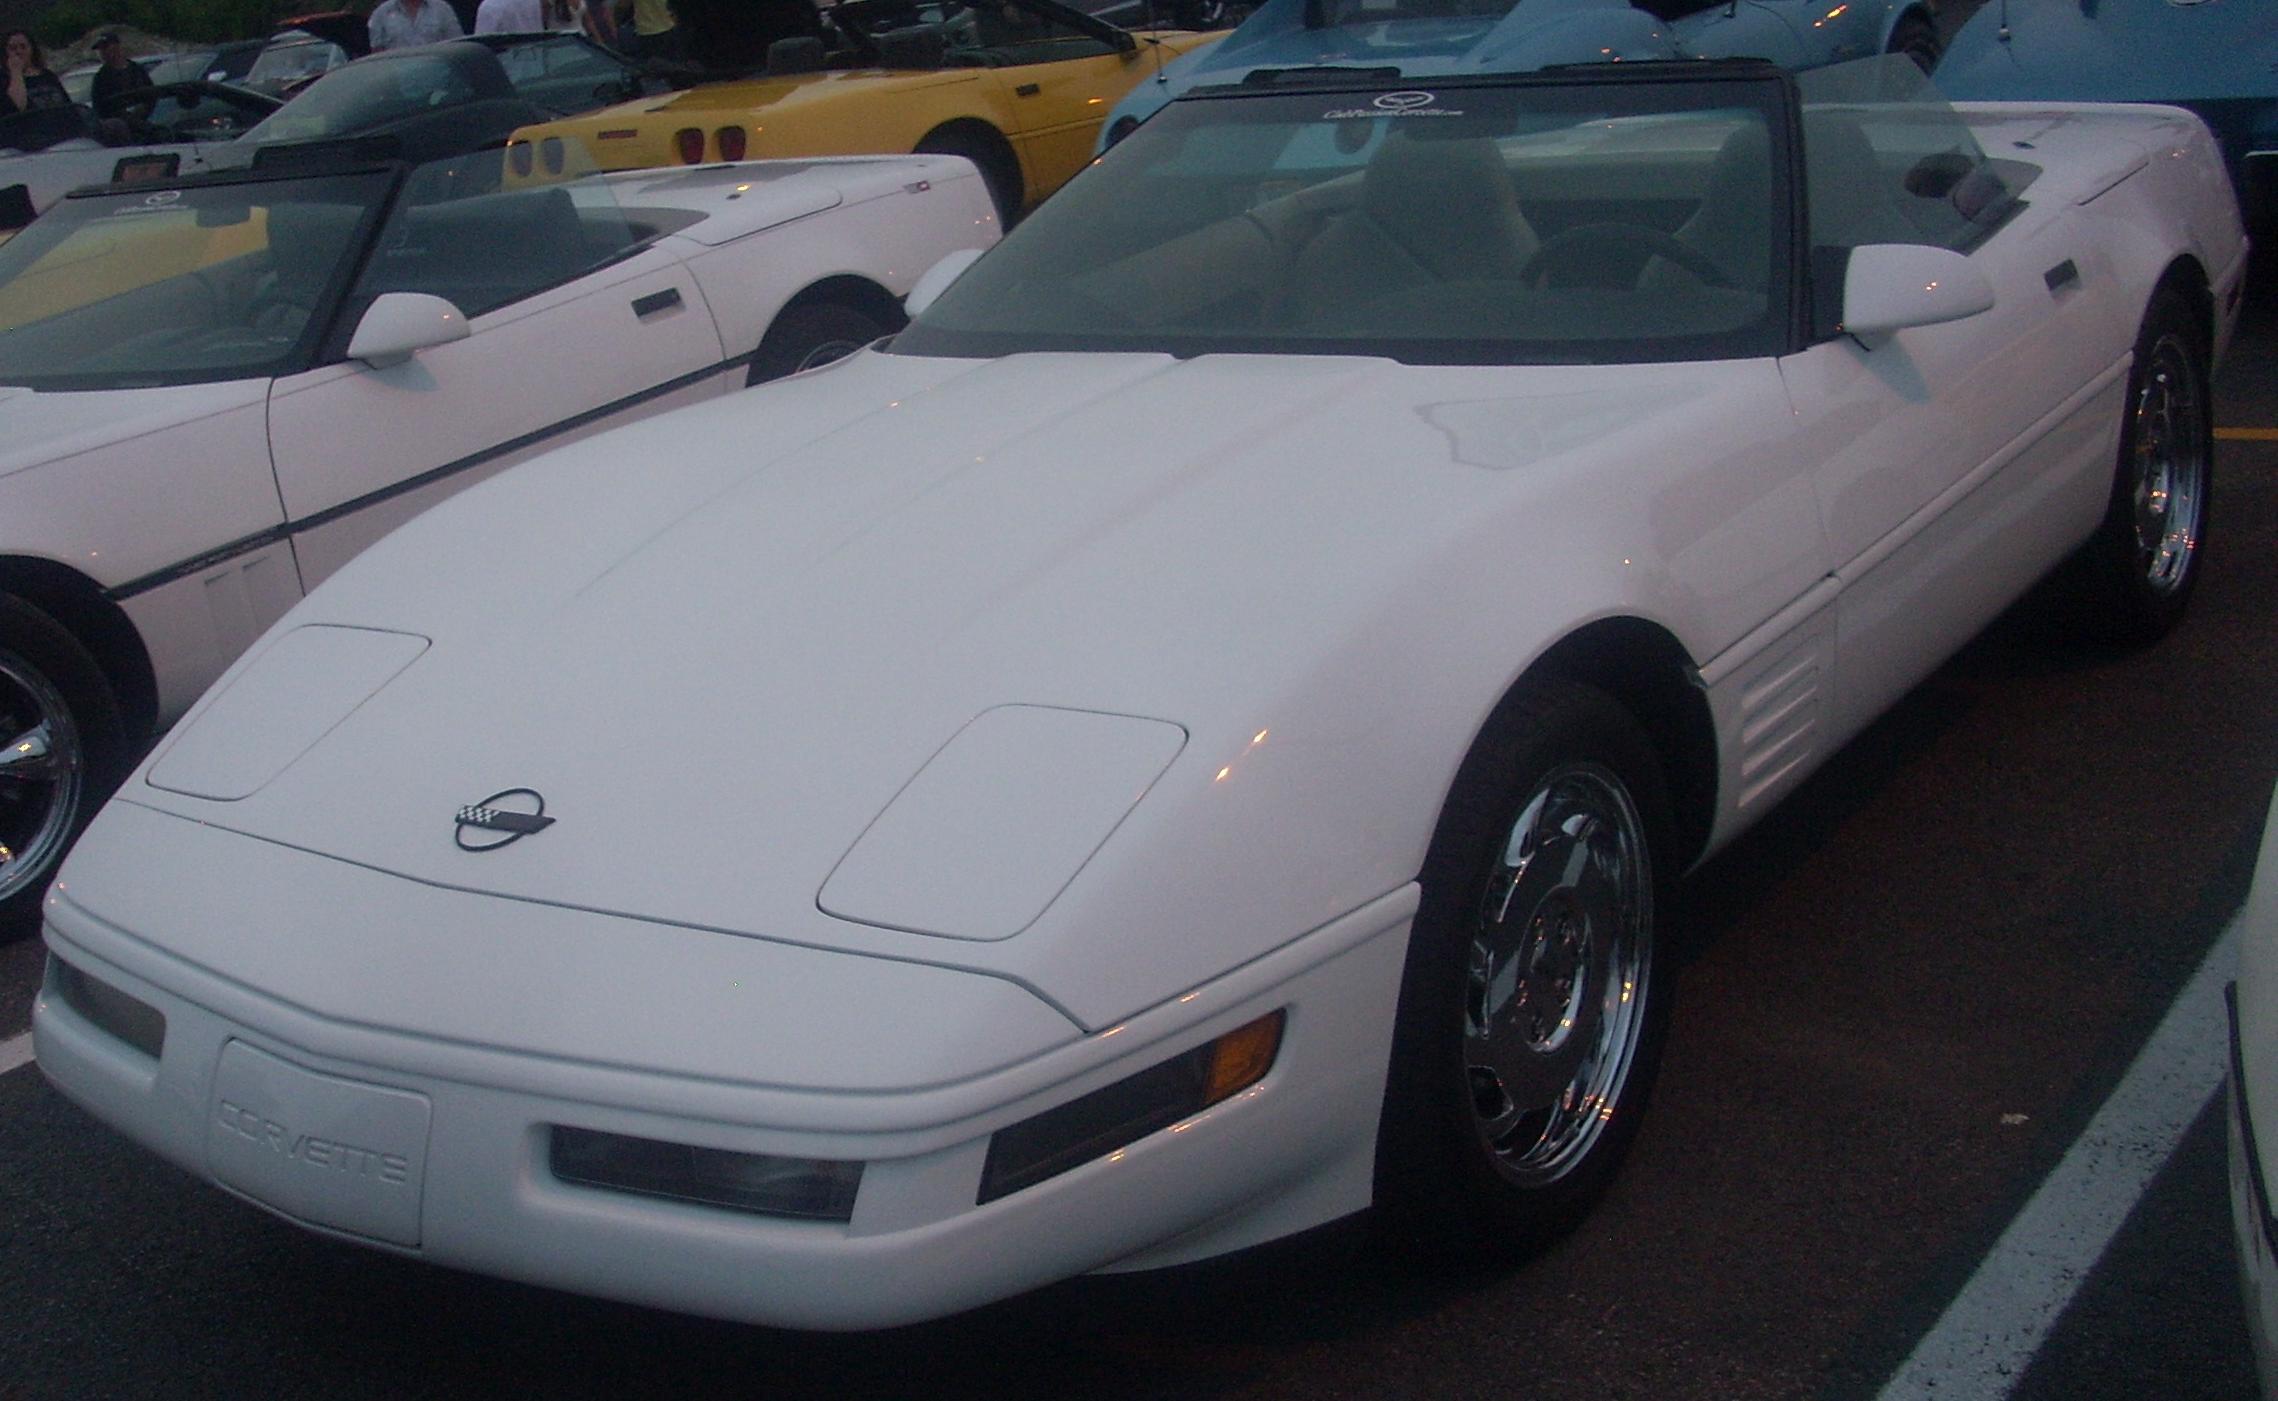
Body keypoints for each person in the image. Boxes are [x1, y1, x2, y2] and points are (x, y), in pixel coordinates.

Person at [0, 30, 74, 152]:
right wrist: (16, 72)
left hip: (61, 135)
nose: (19, 51)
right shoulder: (4, 79)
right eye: (13, 48)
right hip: (29, 141)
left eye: (23, 47)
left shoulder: (48, 76)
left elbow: (68, 106)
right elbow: (18, 106)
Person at [89, 32, 153, 111]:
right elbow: (99, 108)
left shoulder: (136, 69)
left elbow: (151, 94)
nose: (102, 52)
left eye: (105, 47)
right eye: (99, 49)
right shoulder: (101, 77)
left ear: (117, 47)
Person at [368, 0, 466, 51]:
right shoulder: (381, 14)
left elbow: (457, 46)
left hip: (437, 79)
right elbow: (377, 54)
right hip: (396, 81)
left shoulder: (443, 9)